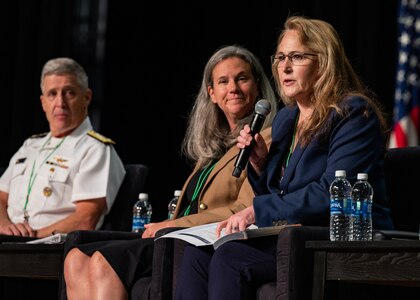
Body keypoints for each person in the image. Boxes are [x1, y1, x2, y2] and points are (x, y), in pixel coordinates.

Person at [174, 16, 395, 300]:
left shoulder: (351, 114)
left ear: (324, 61)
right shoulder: (286, 119)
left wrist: (255, 210)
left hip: (338, 238)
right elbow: (278, 194)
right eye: (280, 58)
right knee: (196, 254)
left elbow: (334, 192)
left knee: (231, 257)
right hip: (291, 235)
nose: (285, 67)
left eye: (297, 57)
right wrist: (260, 165)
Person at [63, 45, 278, 300]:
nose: (233, 87)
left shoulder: (265, 138)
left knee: (101, 262)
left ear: (257, 86)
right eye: (223, 81)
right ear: (212, 93)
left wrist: (171, 224)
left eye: (242, 78)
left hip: (200, 240)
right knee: (75, 258)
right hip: (177, 234)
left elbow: (241, 208)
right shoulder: (215, 147)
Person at [0, 57, 125, 239]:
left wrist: (30, 238)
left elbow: (86, 219)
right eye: (52, 94)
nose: (60, 103)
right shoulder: (30, 145)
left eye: (69, 93)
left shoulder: (95, 149)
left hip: (51, 250)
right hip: (9, 243)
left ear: (86, 97)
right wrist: (4, 226)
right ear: (43, 102)